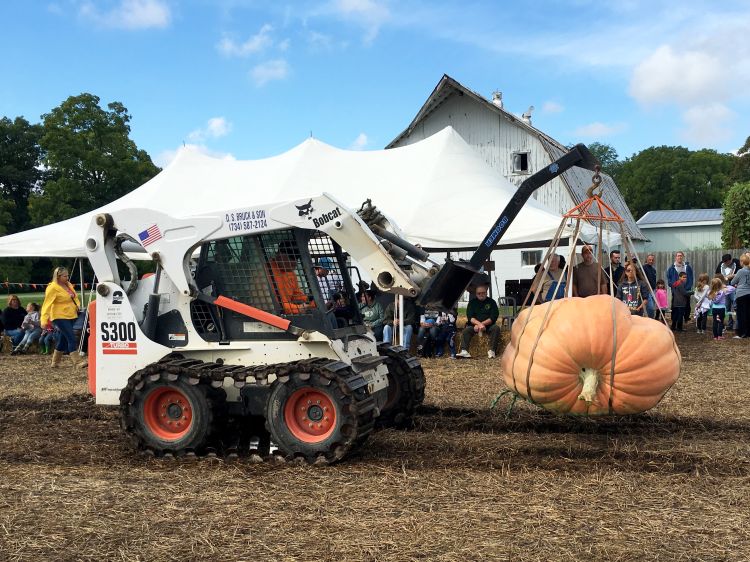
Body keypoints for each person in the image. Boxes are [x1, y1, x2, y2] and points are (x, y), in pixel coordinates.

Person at [40, 266, 87, 368]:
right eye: (65, 276)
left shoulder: (68, 285)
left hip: (71, 315)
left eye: (67, 275)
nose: (67, 277)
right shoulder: (52, 288)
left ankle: (55, 362)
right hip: (59, 316)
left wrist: (78, 305)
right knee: (71, 337)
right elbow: (46, 304)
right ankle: (77, 362)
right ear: (58, 276)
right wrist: (44, 320)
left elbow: (75, 297)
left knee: (63, 339)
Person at [268, 240, 312, 314]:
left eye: (296, 259)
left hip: (288, 313)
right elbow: (275, 304)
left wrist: (310, 300)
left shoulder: (291, 274)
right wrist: (298, 308)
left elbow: (296, 295)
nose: (295, 263)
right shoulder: (267, 271)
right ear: (280, 255)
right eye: (292, 258)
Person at [457, 284, 500, 359]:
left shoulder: (492, 302)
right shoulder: (472, 303)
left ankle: (492, 351)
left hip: (489, 326)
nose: (481, 294)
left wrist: (482, 324)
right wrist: (478, 324)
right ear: (476, 294)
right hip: (474, 326)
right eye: (479, 293)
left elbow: (493, 317)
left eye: (483, 293)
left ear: (486, 293)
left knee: (496, 328)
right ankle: (464, 351)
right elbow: (470, 317)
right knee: (466, 330)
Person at [666, 251, 694, 324]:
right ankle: (674, 321)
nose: (679, 257)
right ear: (676, 257)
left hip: (686, 290)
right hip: (676, 291)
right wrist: (674, 286)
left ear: (683, 257)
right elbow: (669, 279)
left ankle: (686, 318)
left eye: (681, 256)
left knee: (687, 305)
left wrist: (687, 288)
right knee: (675, 306)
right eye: (678, 256)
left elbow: (691, 278)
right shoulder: (672, 268)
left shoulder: (687, 267)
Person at [730, 253, 750, 339]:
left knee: (741, 314)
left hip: (741, 294)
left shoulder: (740, 271)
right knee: (748, 313)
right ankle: (748, 332)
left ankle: (742, 333)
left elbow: (732, 282)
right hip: (749, 294)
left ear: (742, 262)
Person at [642, 253, 658, 318]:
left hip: (653, 290)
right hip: (647, 290)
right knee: (650, 308)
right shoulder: (643, 268)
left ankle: (650, 320)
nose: (651, 261)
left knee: (652, 308)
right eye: (649, 260)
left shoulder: (653, 270)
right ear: (646, 260)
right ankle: (650, 320)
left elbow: (653, 280)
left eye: (652, 260)